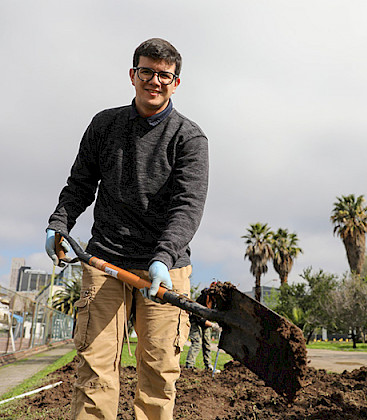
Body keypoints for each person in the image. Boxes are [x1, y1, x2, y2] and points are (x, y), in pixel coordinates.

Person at [45, 38, 209, 420]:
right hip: (104, 263)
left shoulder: (189, 138)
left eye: (164, 75)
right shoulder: (105, 125)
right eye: (147, 72)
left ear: (176, 82)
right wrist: (60, 223)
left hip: (165, 272)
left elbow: (188, 206)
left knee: (158, 376)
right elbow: (80, 184)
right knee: (95, 373)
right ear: (133, 75)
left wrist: (163, 257)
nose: (155, 81)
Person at [185, 288, 221, 371]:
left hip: (205, 323)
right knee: (197, 342)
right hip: (195, 321)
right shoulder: (202, 299)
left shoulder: (215, 301)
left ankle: (208, 366)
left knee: (207, 344)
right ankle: (189, 365)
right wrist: (213, 325)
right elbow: (200, 318)